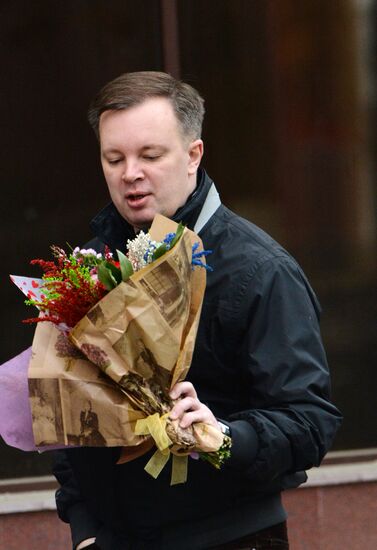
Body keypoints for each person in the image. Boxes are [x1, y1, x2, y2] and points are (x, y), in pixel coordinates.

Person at [53, 71, 342, 550]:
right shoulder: (89, 265)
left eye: (150, 155)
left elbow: (310, 423)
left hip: (234, 535)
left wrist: (223, 436)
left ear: (193, 155)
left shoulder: (260, 269)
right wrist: (83, 527)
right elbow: (63, 416)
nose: (130, 173)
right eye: (113, 158)